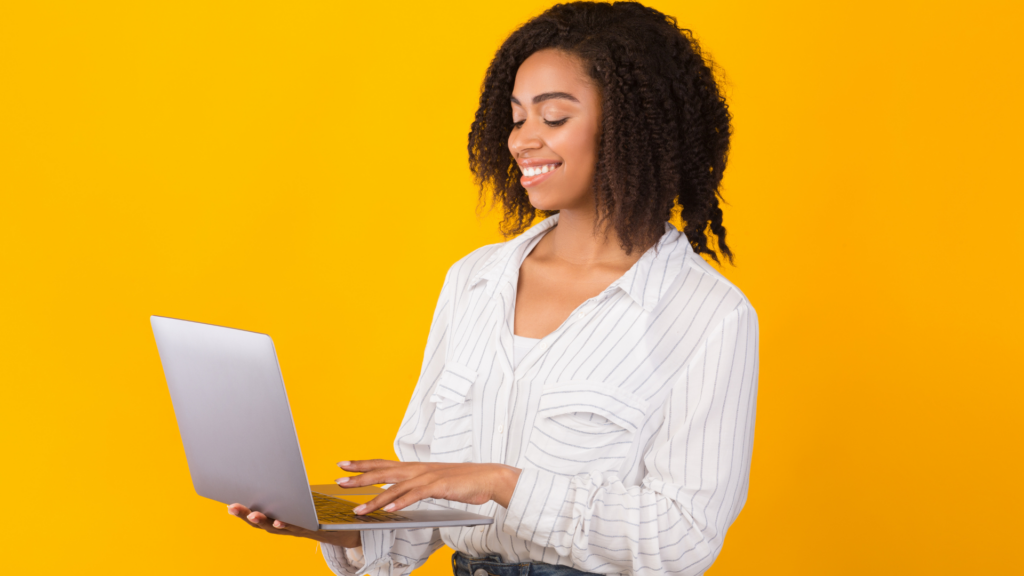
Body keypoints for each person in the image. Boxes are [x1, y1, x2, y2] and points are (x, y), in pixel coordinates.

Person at [228, 2, 759, 575]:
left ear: (632, 127)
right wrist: (335, 525)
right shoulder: (475, 281)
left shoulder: (707, 314)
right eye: (516, 117)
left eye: (553, 118)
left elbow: (683, 540)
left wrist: (503, 484)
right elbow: (431, 497)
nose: (522, 140)